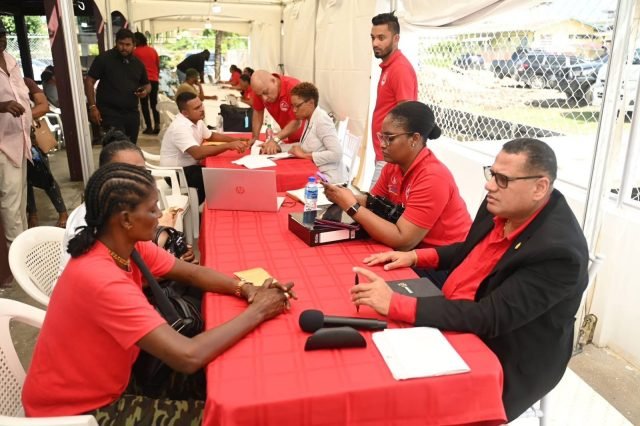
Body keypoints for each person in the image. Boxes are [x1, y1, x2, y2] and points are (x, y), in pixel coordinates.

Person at [22, 163, 294, 422]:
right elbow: (188, 356)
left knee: (226, 380)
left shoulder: (123, 246)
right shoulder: (101, 279)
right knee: (222, 415)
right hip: (79, 411)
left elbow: (192, 272)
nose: (161, 213)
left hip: (116, 376)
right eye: (153, 209)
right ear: (126, 219)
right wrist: (259, 310)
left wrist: (246, 288)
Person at [352, 138, 589, 421]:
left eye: (502, 179)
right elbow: (470, 249)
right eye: (491, 173)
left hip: (505, 353)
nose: (489, 185)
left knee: (403, 396)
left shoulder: (558, 252)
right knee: (367, 355)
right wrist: (414, 257)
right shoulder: (502, 204)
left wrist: (394, 304)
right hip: (456, 311)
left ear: (539, 187)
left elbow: (489, 317)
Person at [323, 101, 471, 254]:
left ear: (414, 139)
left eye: (390, 138)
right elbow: (375, 206)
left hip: (445, 259)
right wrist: (343, 196)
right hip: (412, 253)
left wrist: (352, 206)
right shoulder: (393, 167)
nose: (382, 144)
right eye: (381, 137)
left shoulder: (433, 177)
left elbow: (404, 242)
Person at [60, 128, 197, 275]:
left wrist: (174, 250)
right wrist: (169, 271)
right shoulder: (87, 221)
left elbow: (145, 252)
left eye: (142, 172)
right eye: (126, 173)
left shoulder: (135, 203)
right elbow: (106, 277)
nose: (137, 179)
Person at [160, 92, 249, 203]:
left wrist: (235, 140)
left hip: (188, 168)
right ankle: (199, 208)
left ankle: (203, 205)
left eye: (201, 105)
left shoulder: (196, 120)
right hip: (176, 174)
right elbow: (197, 153)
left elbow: (211, 136)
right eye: (197, 108)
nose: (202, 109)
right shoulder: (179, 128)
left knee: (217, 173)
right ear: (185, 113)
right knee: (218, 178)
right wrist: (228, 146)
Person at [370, 11, 417, 185]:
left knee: (372, 202)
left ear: (396, 39)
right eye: (373, 38)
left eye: (381, 38)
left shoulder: (400, 68)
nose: (375, 43)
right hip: (384, 154)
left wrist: (393, 159)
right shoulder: (389, 67)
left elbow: (406, 117)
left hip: (390, 158)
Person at [85, 28, 150, 144]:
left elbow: (147, 84)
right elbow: (89, 81)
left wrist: (145, 91)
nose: (124, 47)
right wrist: (92, 107)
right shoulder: (104, 59)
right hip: (109, 112)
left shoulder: (138, 63)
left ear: (134, 45)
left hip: (131, 113)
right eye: (121, 44)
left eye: (127, 45)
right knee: (115, 147)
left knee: (130, 148)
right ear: (116, 42)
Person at [0, 20, 31, 254]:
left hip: (21, 139)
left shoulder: (11, 60)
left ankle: (26, 250)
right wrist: (2, 106)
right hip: (3, 144)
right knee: (10, 203)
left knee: (21, 201)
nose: (1, 39)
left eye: (3, 34)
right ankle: (17, 257)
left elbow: (23, 95)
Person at [24, 77, 68, 228]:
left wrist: (23, 116)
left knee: (46, 177)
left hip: (32, 141)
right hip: (10, 143)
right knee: (24, 182)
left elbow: (44, 107)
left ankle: (62, 212)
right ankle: (32, 214)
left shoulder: (25, 83)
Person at [287, 82, 344, 183]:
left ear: (311, 103)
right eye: (293, 106)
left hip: (329, 178)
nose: (294, 110)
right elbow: (305, 146)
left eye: (297, 106)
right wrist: (280, 148)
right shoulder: (309, 118)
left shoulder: (321, 120)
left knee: (291, 182)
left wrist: (305, 155)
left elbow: (337, 154)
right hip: (316, 171)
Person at [249, 70, 304, 154]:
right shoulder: (260, 89)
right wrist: (255, 138)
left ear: (273, 81)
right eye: (260, 95)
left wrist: (275, 139)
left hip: (308, 138)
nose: (264, 98)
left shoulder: (293, 87)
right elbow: (258, 112)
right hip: (291, 139)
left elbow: (297, 122)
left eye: (266, 92)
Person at [133, 32, 161, 135]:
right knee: (154, 104)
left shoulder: (135, 52)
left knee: (144, 104)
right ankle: (157, 125)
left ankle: (149, 127)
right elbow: (158, 65)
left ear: (137, 40)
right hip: (154, 80)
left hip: (142, 81)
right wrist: (155, 76)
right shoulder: (153, 50)